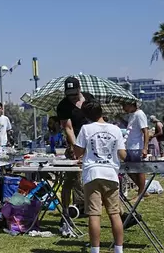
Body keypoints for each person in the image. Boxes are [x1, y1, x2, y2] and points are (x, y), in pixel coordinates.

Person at [74, 100, 126, 253]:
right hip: (110, 173)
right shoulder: (115, 129)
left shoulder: (85, 129)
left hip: (92, 174)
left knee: (94, 214)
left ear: (87, 115)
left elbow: (78, 153)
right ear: (101, 112)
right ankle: (118, 249)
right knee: (114, 213)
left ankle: (95, 250)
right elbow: (123, 155)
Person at [56, 77, 95, 223]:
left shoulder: (90, 98)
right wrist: (75, 149)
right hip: (76, 145)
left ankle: (119, 213)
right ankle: (65, 212)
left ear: (79, 89)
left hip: (94, 144)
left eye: (74, 93)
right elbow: (68, 128)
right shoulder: (63, 106)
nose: (72, 96)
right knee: (70, 179)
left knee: (98, 178)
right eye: (69, 93)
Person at [122, 100, 149, 198]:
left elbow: (146, 131)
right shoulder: (132, 115)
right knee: (130, 170)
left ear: (131, 105)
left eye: (125, 105)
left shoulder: (139, 114)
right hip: (130, 146)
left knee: (139, 169)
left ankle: (141, 192)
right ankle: (143, 189)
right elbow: (131, 128)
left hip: (137, 147)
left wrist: (145, 148)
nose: (123, 108)